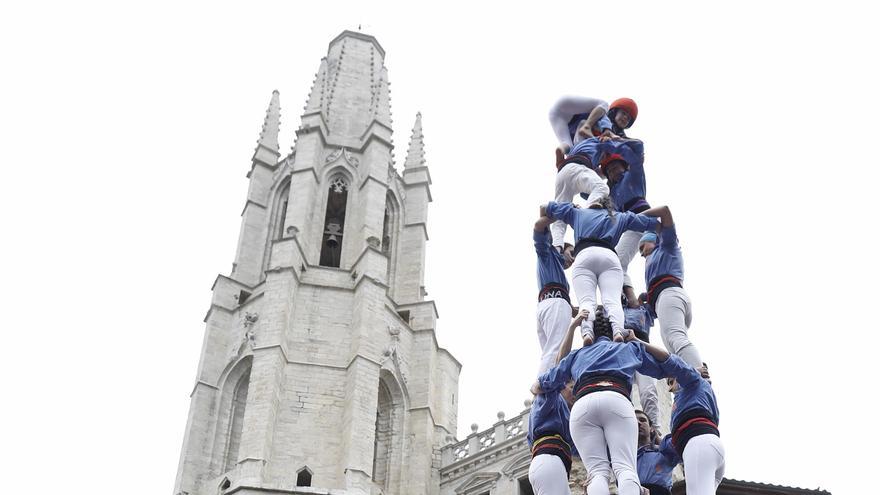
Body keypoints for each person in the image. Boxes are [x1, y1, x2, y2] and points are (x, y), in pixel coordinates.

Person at [532, 308, 673, 495]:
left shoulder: (577, 355)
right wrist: (638, 341)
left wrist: (538, 386)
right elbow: (664, 364)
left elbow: (552, 373)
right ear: (615, 329)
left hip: (583, 407)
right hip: (616, 398)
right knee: (624, 468)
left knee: (597, 471)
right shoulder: (628, 348)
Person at [540, 200, 671, 343]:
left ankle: (588, 333)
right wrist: (666, 234)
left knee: (587, 301)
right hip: (609, 257)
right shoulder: (619, 216)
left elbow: (544, 208)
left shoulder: (577, 213)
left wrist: (563, 216)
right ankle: (618, 332)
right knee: (612, 300)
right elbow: (654, 224)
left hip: (585, 255)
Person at [528, 309, 587, 494]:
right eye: (572, 387)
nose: (576, 393)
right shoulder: (549, 399)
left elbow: (581, 448)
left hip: (554, 466)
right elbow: (560, 365)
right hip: (549, 462)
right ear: (562, 385)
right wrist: (573, 327)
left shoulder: (566, 418)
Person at [638, 208, 704, 369]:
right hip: (668, 299)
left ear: (653, 239)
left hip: (670, 296)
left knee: (676, 338)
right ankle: (687, 383)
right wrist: (646, 297)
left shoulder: (667, 246)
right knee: (673, 350)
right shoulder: (654, 264)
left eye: (642, 247)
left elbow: (665, 212)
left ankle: (699, 375)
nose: (640, 253)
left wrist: (637, 217)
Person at [591, 139, 650, 307]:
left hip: (644, 221)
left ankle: (631, 301)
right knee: (611, 260)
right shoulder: (610, 193)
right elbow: (587, 192)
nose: (612, 171)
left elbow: (638, 147)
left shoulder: (634, 176)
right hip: (630, 227)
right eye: (608, 170)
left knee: (616, 261)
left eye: (615, 167)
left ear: (624, 166)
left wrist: (612, 142)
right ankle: (621, 298)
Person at [658, 358, 724, 495]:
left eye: (671, 381)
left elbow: (680, 367)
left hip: (699, 446)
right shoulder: (699, 397)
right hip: (709, 446)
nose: (670, 388)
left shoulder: (691, 386)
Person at [533, 216, 574, 374]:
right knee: (556, 351)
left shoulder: (555, 272)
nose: (573, 259)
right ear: (562, 248)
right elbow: (540, 227)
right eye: (571, 252)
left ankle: (545, 390)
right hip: (554, 303)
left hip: (545, 305)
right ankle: (541, 391)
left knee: (549, 353)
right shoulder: (548, 255)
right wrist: (559, 214)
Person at [625, 293, 660, 430]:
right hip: (621, 353)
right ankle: (625, 427)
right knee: (624, 393)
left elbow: (657, 301)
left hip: (643, 351)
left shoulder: (643, 310)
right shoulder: (612, 308)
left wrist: (642, 297)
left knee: (648, 391)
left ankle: (654, 430)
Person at [548, 95, 615, 153]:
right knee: (604, 104)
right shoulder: (599, 116)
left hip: (554, 115)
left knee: (568, 145)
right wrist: (607, 130)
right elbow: (604, 117)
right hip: (566, 106)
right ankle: (587, 126)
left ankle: (561, 150)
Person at [635, 410, 678, 495]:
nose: (638, 423)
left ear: (651, 429)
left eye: (642, 420)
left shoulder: (663, 452)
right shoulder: (626, 457)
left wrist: (658, 438)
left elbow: (678, 448)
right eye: (634, 420)